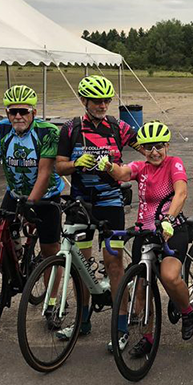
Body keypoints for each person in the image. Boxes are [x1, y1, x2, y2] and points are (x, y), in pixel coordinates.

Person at [0, 84, 64, 325]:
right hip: (14, 193)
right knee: (2, 244)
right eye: (12, 111)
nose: (18, 116)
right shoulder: (2, 129)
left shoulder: (47, 132)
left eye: (23, 111)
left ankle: (52, 301)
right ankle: (13, 276)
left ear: (34, 112)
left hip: (45, 196)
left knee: (50, 251)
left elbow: (45, 172)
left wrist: (31, 203)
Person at [96, 121, 193, 356]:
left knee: (169, 276)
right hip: (145, 232)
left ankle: (187, 312)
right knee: (141, 288)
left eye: (159, 146)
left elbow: (181, 192)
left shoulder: (174, 163)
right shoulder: (142, 167)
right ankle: (148, 337)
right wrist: (109, 166)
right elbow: (123, 172)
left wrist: (169, 219)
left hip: (171, 228)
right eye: (149, 147)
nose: (154, 152)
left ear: (167, 146)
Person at [55, 75, 139, 350]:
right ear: (84, 101)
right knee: (80, 264)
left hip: (111, 203)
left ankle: (121, 326)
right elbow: (59, 166)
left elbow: (147, 146)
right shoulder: (70, 129)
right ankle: (83, 319)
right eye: (97, 101)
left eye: (106, 100)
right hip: (80, 205)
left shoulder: (118, 126)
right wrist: (76, 163)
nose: (102, 105)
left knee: (114, 263)